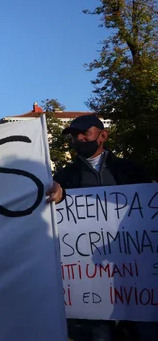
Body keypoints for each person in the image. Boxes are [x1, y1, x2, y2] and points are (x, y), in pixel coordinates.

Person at [45, 114, 155, 341]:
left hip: (136, 279)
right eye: (74, 135)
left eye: (85, 133)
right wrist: (56, 195)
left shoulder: (130, 170)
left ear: (103, 135)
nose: (79, 139)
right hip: (91, 284)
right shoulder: (64, 177)